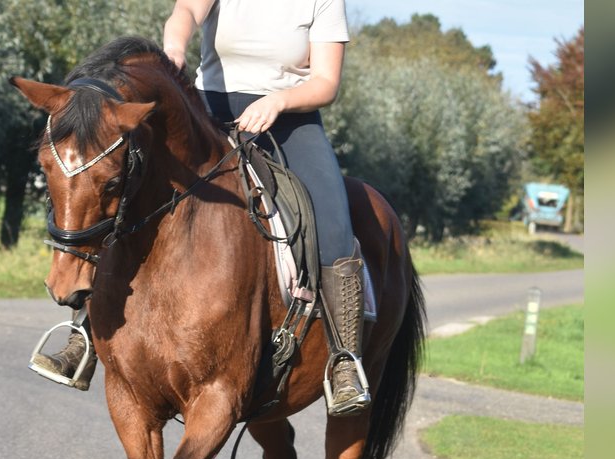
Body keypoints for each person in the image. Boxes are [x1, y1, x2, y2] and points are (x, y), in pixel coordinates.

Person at [34, 0, 372, 415]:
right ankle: (84, 333)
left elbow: (326, 82)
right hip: (202, 109)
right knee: (125, 189)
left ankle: (344, 359)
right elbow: (186, 12)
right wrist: (174, 50)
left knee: (334, 225)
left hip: (288, 121)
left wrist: (279, 101)